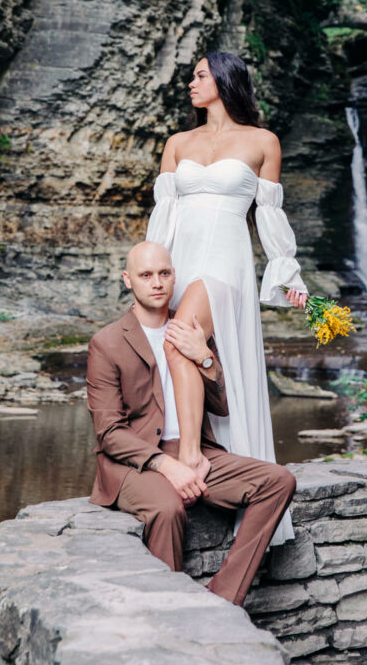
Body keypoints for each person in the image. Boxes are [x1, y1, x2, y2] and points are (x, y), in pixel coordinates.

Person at [146, 51, 307, 546]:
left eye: (199, 75)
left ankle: (191, 455)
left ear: (224, 79)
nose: (190, 83)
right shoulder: (178, 143)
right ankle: (223, 463)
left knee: (180, 341)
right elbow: (163, 220)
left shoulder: (263, 142)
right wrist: (153, 277)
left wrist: (288, 276)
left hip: (226, 264)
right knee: (187, 353)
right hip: (185, 260)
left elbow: (270, 218)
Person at [86, 240, 297, 606]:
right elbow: (109, 433)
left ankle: (223, 597)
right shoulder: (106, 343)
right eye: (146, 275)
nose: (157, 283)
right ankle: (164, 610)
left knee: (278, 481)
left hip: (197, 451)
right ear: (128, 280)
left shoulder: (190, 330)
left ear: (174, 277)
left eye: (164, 273)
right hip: (137, 462)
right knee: (167, 509)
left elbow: (223, 407)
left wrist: (205, 359)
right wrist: (166, 465)